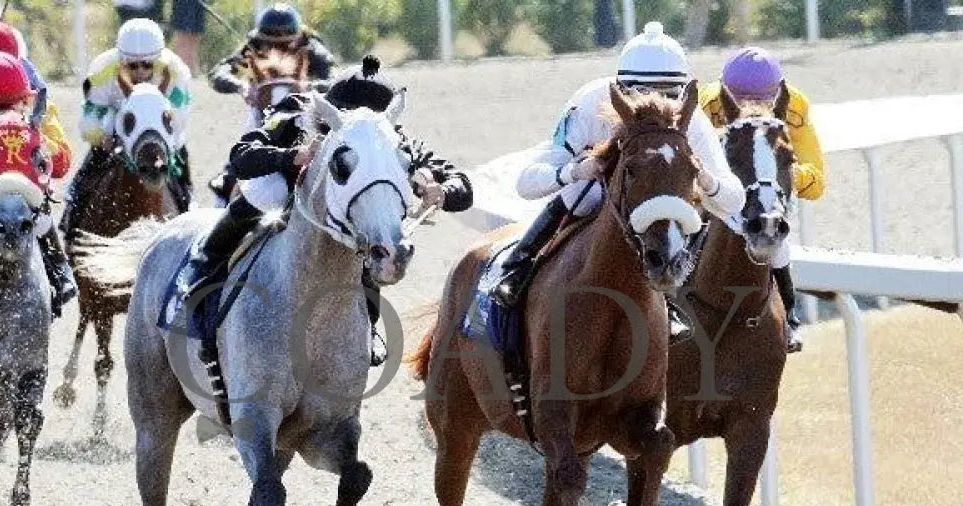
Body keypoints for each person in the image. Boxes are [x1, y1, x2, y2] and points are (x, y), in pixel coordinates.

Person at [177, 55, 472, 365]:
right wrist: (292, 156)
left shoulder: (391, 139)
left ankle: (366, 325)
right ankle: (203, 268)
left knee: (376, 231)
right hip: (290, 197)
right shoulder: (296, 111)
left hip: (348, 222)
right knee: (265, 193)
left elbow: (461, 185)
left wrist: (439, 190)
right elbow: (241, 156)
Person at [491, 21, 744, 344]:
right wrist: (573, 172)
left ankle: (672, 298)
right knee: (583, 198)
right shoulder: (589, 102)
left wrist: (706, 181)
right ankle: (517, 268)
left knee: (691, 209)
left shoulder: (691, 118)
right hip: (602, 193)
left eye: (667, 95)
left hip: (660, 203)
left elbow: (734, 199)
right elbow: (526, 183)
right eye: (643, 95)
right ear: (621, 91)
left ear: (681, 94)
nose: (656, 107)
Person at [700, 46, 826, 352]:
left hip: (769, 184)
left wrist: (774, 175)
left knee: (772, 220)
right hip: (721, 181)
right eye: (741, 99)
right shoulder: (708, 104)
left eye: (760, 100)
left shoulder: (794, 105)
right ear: (725, 92)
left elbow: (817, 182)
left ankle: (790, 317)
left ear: (777, 94)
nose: (751, 106)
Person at [0, 51, 76, 317]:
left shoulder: (40, 111)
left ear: (24, 100)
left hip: (23, 187)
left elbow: (62, 161)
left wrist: (39, 148)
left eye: (10, 105)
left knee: (43, 215)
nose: (3, 113)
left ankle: (58, 270)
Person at [60, 18, 193, 239]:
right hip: (113, 137)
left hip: (162, 140)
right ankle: (71, 221)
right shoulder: (102, 72)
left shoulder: (176, 73)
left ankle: (187, 215)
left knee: (182, 186)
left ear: (157, 61)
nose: (140, 71)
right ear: (122, 61)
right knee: (83, 182)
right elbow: (90, 118)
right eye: (132, 65)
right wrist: (104, 136)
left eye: (147, 65)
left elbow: (178, 119)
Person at [207, 2, 334, 206]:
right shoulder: (252, 45)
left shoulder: (312, 47)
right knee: (229, 177)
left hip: (303, 117)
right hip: (260, 118)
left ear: (298, 39)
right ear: (260, 39)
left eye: (285, 45)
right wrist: (240, 86)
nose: (277, 50)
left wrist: (308, 87)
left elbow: (333, 79)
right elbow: (218, 73)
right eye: (271, 45)